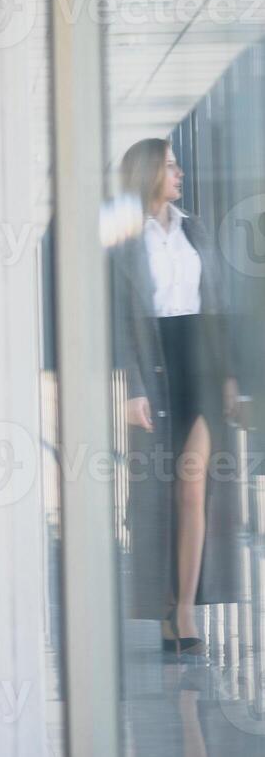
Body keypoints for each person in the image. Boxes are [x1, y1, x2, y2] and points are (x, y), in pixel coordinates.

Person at [111, 138, 241, 657]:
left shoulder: (196, 229)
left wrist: (229, 375)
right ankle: (165, 602)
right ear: (146, 173)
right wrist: (133, 389)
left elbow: (218, 304)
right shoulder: (122, 241)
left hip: (201, 364)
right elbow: (118, 321)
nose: (179, 173)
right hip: (155, 364)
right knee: (158, 497)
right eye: (169, 166)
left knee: (193, 490)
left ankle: (185, 607)